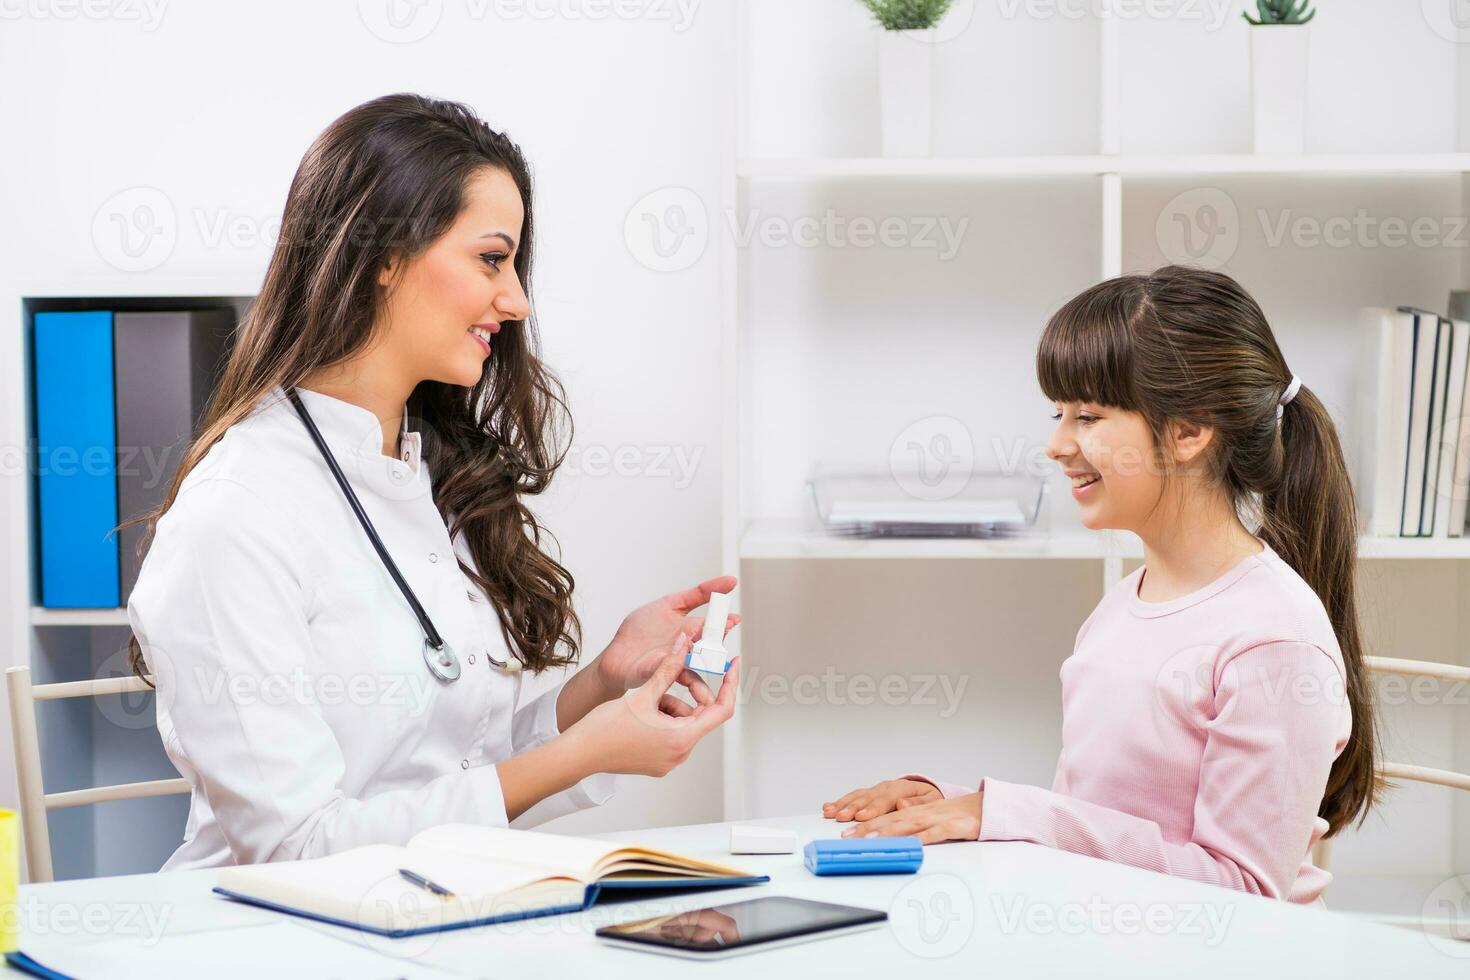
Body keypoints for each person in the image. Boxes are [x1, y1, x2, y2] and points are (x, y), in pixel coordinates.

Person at [125, 94, 739, 871]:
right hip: (276, 938)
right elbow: (295, 847)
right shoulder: (236, 516)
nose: (515, 301)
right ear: (383, 255)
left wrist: (608, 684)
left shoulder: (417, 476)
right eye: (491, 258)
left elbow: (458, 774)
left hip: (431, 913)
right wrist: (586, 753)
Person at [822, 266, 1378, 904]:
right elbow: (1107, 822)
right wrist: (953, 804)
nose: (1056, 444)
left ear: (1190, 431)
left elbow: (1243, 893)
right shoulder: (1126, 603)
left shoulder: (1274, 640)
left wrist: (1003, 815)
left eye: (1087, 415)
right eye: (1059, 413)